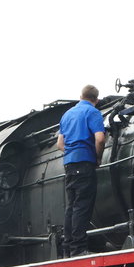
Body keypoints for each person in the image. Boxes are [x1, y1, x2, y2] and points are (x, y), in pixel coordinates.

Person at [55, 86, 106, 256]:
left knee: (71, 206)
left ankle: (68, 247)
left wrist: (71, 152)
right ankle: (79, 248)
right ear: (96, 100)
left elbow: (59, 144)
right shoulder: (92, 112)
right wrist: (97, 157)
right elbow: (100, 139)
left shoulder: (67, 114)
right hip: (85, 162)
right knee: (82, 206)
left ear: (81, 96)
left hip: (69, 164)